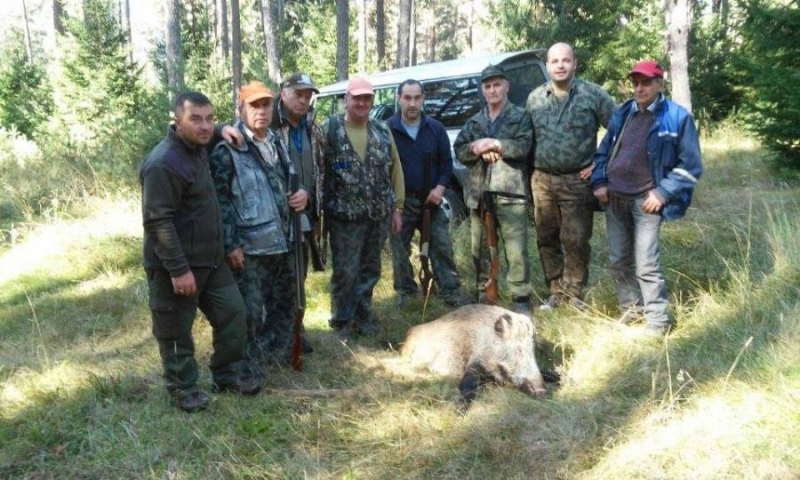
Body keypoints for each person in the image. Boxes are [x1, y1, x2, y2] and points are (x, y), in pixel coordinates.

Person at [140, 91, 260, 413]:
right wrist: (178, 270)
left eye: (209, 118)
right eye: (196, 119)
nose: (205, 126)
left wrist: (222, 129)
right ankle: (183, 387)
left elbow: (209, 131)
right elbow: (157, 221)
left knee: (234, 314)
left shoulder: (198, 146)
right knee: (176, 330)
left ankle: (226, 374)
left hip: (211, 260)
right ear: (177, 121)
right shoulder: (164, 163)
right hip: (175, 266)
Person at [591, 60, 703, 336]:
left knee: (646, 264)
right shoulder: (624, 113)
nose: (640, 88)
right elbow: (604, 150)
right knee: (618, 259)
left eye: (646, 83)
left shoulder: (677, 117)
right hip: (615, 198)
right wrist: (600, 181)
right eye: (636, 83)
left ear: (659, 84)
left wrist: (663, 192)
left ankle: (658, 321)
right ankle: (631, 310)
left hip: (646, 201)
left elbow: (691, 165)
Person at [209, 81, 309, 373]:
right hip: (250, 246)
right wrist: (231, 244)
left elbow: (287, 183)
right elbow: (221, 202)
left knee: (285, 302)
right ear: (240, 108)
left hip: (284, 239)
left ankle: (277, 353)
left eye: (265, 104)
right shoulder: (228, 149)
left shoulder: (277, 141)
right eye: (254, 105)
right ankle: (245, 363)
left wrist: (302, 194)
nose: (261, 111)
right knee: (250, 311)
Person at [526, 42, 616, 312]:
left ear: (575, 63)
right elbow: (525, 138)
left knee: (576, 238)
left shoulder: (594, 95)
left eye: (566, 60)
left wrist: (601, 164)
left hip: (578, 179)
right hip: (541, 179)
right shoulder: (535, 98)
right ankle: (555, 290)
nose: (560, 65)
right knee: (546, 237)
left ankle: (575, 291)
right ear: (548, 65)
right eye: (555, 61)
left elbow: (619, 132)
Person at [321, 76, 405, 339]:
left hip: (378, 213)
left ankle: (362, 316)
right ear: (346, 99)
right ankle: (341, 321)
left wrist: (398, 208)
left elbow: (395, 168)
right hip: (344, 217)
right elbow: (318, 172)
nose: (362, 103)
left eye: (367, 98)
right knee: (346, 271)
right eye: (356, 97)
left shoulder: (382, 129)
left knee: (370, 269)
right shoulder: (328, 130)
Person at [453, 65, 534, 314]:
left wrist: (496, 144)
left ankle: (520, 298)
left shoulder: (520, 116)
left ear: (506, 86)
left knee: (516, 250)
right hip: (479, 195)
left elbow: (524, 146)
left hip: (510, 192)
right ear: (483, 90)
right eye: (487, 86)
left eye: (497, 84)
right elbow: (460, 149)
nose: (492, 90)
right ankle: (482, 295)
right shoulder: (475, 121)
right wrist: (477, 147)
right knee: (480, 249)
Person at [388, 79, 470, 308]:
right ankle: (406, 292)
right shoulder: (387, 130)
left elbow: (446, 165)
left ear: (423, 99)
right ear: (399, 99)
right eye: (407, 98)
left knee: (442, 246)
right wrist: (394, 203)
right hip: (401, 203)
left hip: (431, 201)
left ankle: (450, 291)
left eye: (416, 98)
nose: (412, 103)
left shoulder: (436, 129)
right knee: (399, 250)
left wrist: (439, 189)